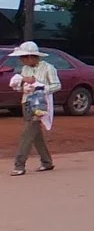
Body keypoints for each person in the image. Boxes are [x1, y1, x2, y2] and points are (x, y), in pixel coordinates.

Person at [8, 41, 60, 175]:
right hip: (27, 103)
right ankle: (46, 161)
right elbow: (21, 87)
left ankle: (19, 165)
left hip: (40, 104)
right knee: (35, 134)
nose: (21, 60)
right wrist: (23, 85)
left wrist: (40, 88)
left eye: (23, 57)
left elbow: (56, 85)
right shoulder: (25, 69)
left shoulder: (49, 68)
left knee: (27, 133)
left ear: (31, 56)